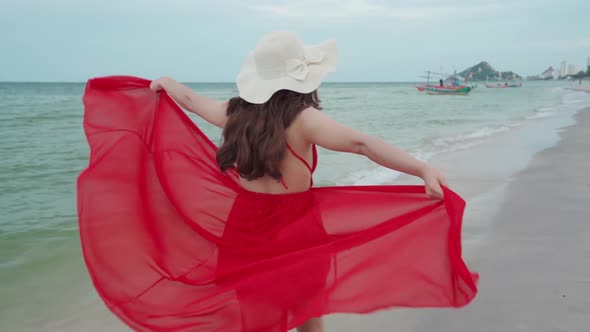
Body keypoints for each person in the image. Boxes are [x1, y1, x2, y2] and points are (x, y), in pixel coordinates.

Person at [78, 31, 477, 332]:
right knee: (307, 312)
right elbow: (362, 143)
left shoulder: (237, 116)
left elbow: (192, 103)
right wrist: (421, 169)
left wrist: (168, 84)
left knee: (254, 317)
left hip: (243, 229)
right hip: (296, 229)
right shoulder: (303, 120)